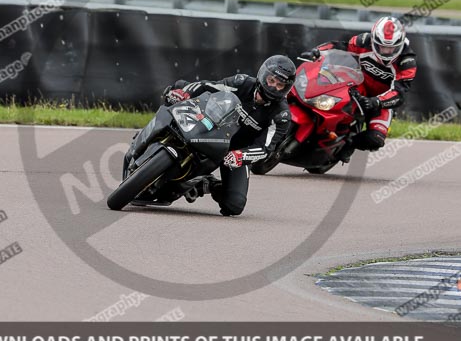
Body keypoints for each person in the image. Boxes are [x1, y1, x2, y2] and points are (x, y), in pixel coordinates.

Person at [162, 55, 296, 216]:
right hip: (212, 128)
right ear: (263, 75)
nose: (273, 87)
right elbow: (208, 86)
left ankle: (206, 184)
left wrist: (241, 156)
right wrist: (184, 92)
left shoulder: (281, 116)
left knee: (234, 205)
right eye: (271, 80)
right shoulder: (242, 82)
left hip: (235, 151)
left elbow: (265, 148)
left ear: (286, 88)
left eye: (280, 85)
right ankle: (155, 137)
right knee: (179, 89)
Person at [301, 16, 416, 156]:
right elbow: (339, 46)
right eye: (381, 46)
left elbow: (400, 94)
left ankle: (347, 145)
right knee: (329, 97)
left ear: (400, 44)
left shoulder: (407, 61)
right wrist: (317, 51)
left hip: (381, 100)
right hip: (357, 84)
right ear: (374, 40)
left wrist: (377, 102)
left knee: (376, 139)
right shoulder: (363, 41)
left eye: (390, 48)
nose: (385, 51)